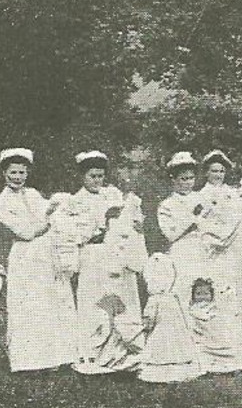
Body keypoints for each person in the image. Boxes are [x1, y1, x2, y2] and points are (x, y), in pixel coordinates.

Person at [0, 148, 79, 373]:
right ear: (4, 173)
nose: (17, 177)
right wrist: (50, 219)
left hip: (45, 253)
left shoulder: (32, 194)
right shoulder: (1, 203)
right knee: (30, 306)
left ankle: (57, 357)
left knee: (52, 302)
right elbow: (26, 232)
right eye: (13, 172)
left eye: (21, 172)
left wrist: (56, 212)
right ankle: (29, 361)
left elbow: (50, 213)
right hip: (25, 256)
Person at [64, 151, 146, 372]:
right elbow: (73, 234)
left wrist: (131, 224)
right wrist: (98, 229)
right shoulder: (74, 201)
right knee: (96, 303)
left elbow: (127, 222)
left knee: (122, 301)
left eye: (100, 176)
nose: (97, 181)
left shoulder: (113, 194)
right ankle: (95, 354)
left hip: (117, 254)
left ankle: (125, 351)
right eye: (92, 176)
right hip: (93, 256)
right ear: (82, 176)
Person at [197, 150, 242, 345]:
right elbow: (202, 224)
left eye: (221, 171)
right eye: (214, 171)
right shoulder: (201, 196)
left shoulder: (235, 193)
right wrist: (219, 236)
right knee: (223, 288)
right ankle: (224, 337)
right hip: (219, 248)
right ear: (206, 173)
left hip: (240, 248)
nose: (218, 175)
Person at [156, 151, 213, 307]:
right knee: (183, 288)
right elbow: (170, 234)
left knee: (204, 288)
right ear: (173, 180)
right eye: (183, 179)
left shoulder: (202, 199)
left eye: (191, 178)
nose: (188, 183)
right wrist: (191, 220)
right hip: (181, 251)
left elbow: (211, 225)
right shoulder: (167, 205)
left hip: (202, 249)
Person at [136, 254, 204, 383]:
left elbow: (149, 319)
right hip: (177, 333)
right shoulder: (173, 298)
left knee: (160, 352)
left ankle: (160, 373)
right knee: (178, 351)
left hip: (160, 333)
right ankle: (180, 371)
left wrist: (144, 326)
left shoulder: (154, 299)